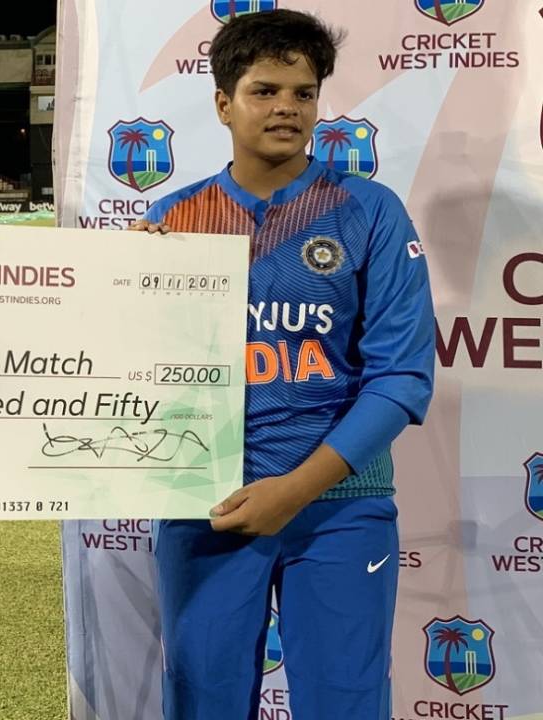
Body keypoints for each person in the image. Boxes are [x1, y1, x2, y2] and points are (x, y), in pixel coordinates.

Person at [129, 10, 435, 719]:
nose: (287, 109)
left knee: (345, 705)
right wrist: (124, 288)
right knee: (203, 703)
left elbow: (401, 377)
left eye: (303, 93)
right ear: (222, 103)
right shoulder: (172, 221)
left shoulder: (370, 211)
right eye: (265, 91)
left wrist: (295, 490)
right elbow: (120, 379)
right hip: (206, 503)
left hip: (339, 508)